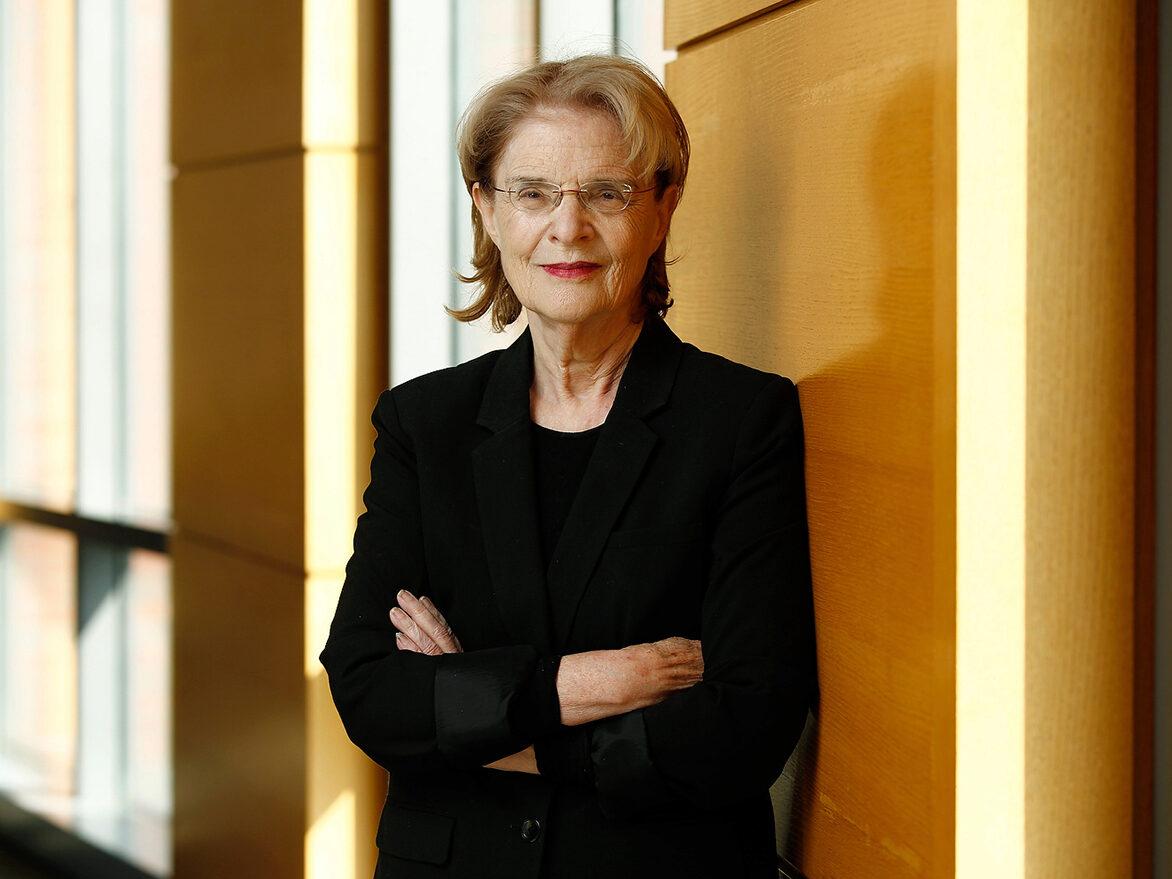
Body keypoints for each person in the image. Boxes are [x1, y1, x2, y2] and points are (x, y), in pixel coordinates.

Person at [318, 53, 817, 879]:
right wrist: (600, 680)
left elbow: (745, 722)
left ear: (663, 208)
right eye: (533, 192)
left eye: (608, 192)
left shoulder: (739, 420)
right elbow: (370, 689)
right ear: (486, 208)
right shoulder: (424, 423)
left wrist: (480, 715)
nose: (568, 226)